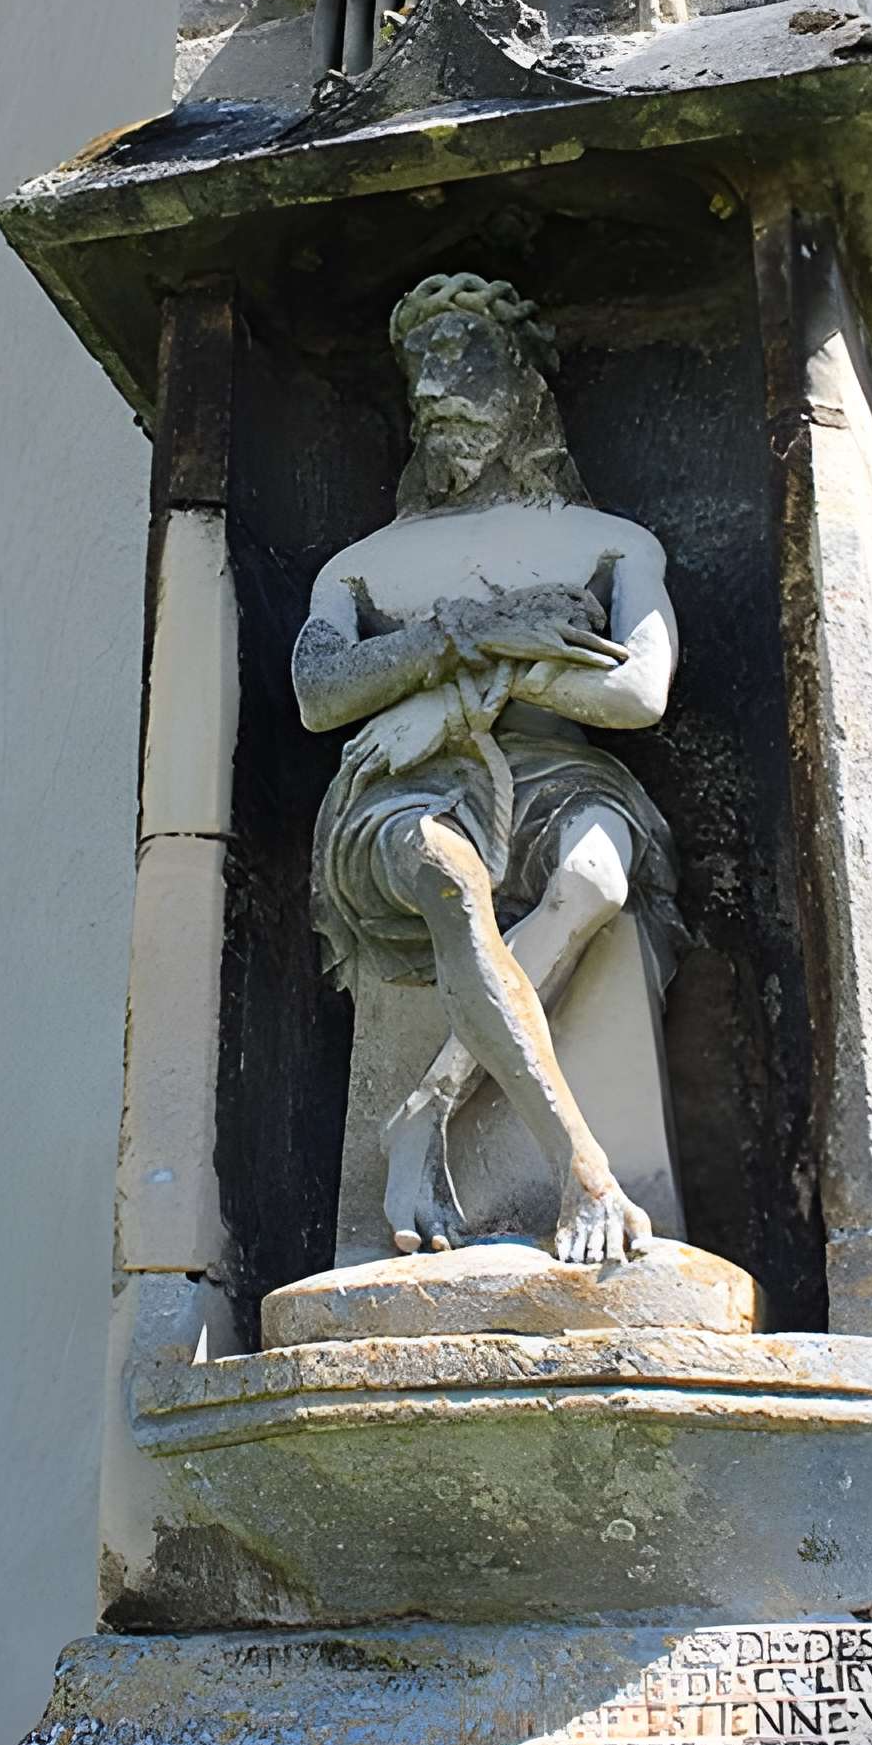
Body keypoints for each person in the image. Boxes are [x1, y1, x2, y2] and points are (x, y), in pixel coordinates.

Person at [292, 272, 684, 1265]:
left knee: (597, 875)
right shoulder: (360, 563)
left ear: (521, 385)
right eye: (419, 368)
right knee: (444, 872)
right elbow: (321, 693)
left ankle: (422, 1110)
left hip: (559, 774)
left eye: (461, 357)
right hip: (405, 787)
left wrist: (457, 691)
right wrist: (475, 636)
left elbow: (639, 694)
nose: (433, 387)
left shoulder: (610, 542)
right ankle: (582, 1166)